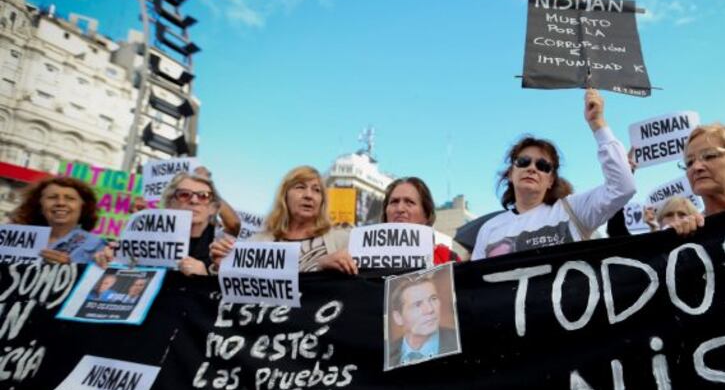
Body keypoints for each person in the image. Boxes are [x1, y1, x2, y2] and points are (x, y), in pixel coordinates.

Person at [472, 88, 635, 259]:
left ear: (551, 180)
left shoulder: (573, 210)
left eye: (542, 165)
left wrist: (597, 123)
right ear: (511, 173)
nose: (532, 168)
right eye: (523, 162)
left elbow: (623, 188)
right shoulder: (489, 229)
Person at [210, 165, 356, 273]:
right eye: (300, 187)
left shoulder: (343, 241)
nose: (309, 195)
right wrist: (224, 266)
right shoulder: (256, 242)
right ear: (284, 196)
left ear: (322, 201)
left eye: (316, 190)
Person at [95, 172, 226, 276]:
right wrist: (112, 261)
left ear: (213, 208)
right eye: (184, 194)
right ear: (170, 203)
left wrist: (204, 277)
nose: (194, 200)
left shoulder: (224, 247)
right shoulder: (141, 241)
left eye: (203, 196)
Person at [10, 175, 109, 264]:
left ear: (83, 207)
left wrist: (67, 270)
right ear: (39, 205)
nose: (61, 203)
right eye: (52, 197)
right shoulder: (14, 238)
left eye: (70, 198)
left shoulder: (98, 246)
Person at [382, 177, 460, 264]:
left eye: (409, 202)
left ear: (426, 215)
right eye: (394, 202)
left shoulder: (448, 259)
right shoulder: (369, 255)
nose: (400, 209)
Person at [387, 275, 459, 367]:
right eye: (417, 304)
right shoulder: (388, 353)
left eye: (433, 299)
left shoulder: (457, 340)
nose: (430, 309)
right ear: (398, 317)